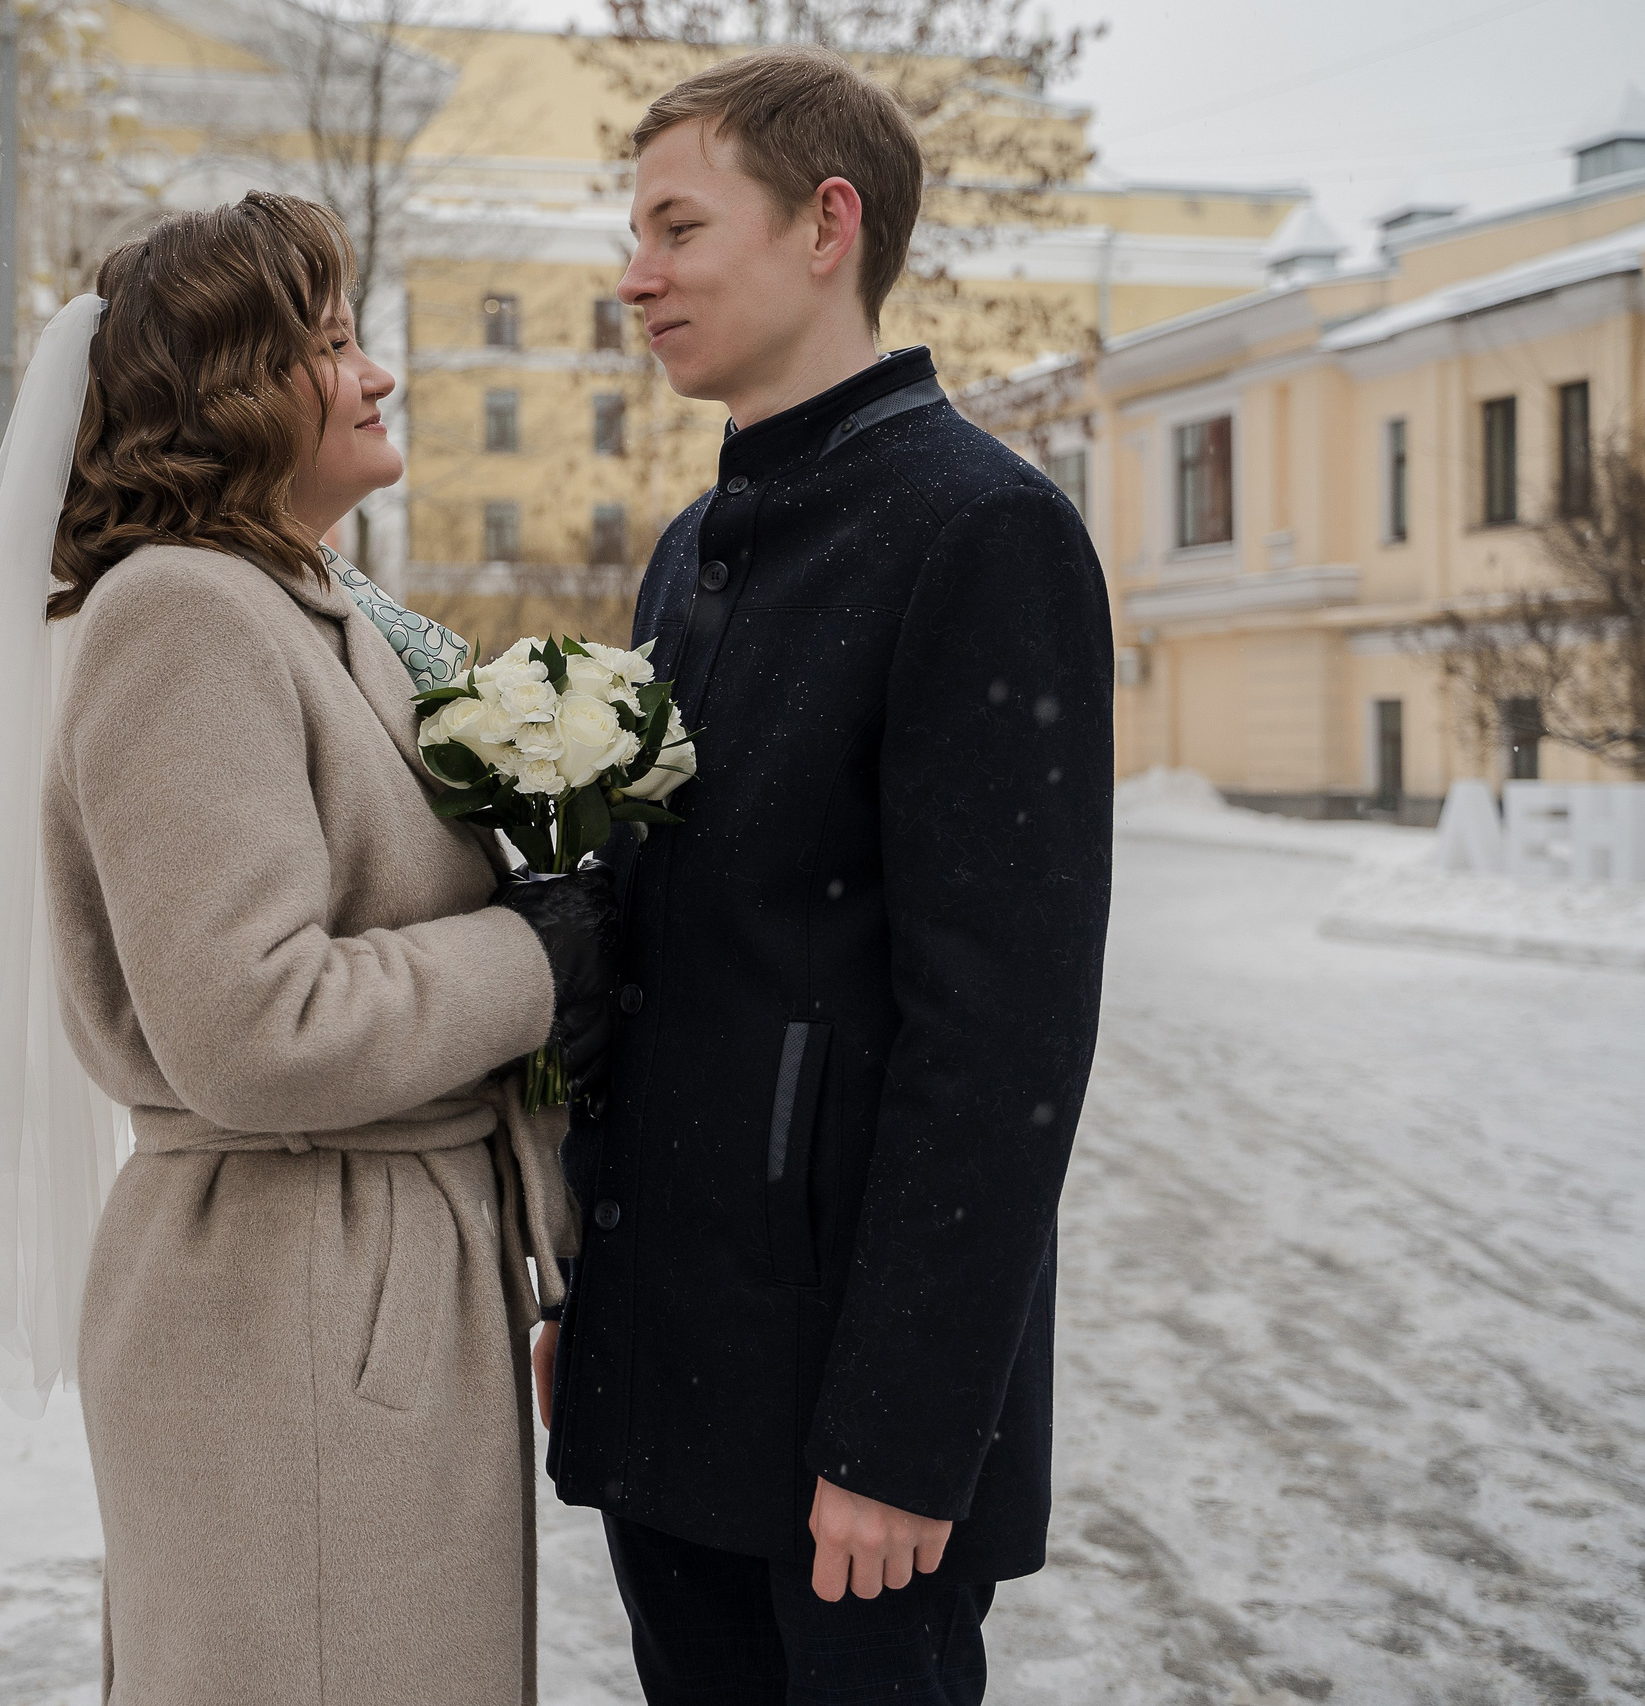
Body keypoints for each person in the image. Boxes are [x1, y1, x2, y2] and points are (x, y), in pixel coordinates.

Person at [0, 190, 616, 1705]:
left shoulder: (301, 604)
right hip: (294, 1301)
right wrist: (538, 959)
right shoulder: (183, 620)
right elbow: (254, 1023)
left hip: (362, 1288)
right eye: (333, 344)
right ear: (235, 392)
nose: (377, 372)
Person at [533, 49, 1115, 1705]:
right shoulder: (689, 545)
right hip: (671, 1387)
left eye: (675, 225)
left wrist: (904, 1436)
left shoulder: (980, 531)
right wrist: (598, 1293)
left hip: (849, 1457)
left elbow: (999, 1044)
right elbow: (671, 961)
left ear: (824, 225)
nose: (634, 273)